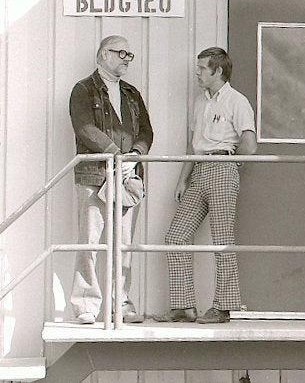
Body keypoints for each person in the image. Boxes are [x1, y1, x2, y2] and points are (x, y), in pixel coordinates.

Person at [155, 47, 257, 324]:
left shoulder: (236, 101)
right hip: (199, 170)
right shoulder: (201, 102)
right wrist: (182, 179)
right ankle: (183, 306)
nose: (197, 73)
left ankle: (223, 307)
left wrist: (232, 165)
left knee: (222, 239)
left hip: (223, 168)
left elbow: (249, 142)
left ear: (218, 71)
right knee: (176, 236)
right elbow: (193, 144)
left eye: (202, 69)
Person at [69, 35, 153, 324]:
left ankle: (122, 304)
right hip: (96, 175)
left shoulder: (131, 93)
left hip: (128, 177)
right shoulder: (83, 90)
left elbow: (146, 131)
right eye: (122, 53)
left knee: (124, 244)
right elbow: (85, 128)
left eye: (130, 55)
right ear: (104, 54)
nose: (127, 59)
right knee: (90, 242)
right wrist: (117, 155)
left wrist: (133, 156)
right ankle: (86, 305)